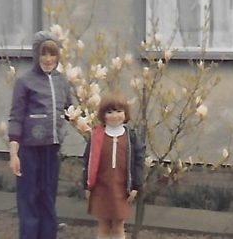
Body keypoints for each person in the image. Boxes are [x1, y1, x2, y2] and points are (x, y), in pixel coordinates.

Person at [8, 31, 72, 239]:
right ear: (36, 55)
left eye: (52, 54)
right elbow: (16, 117)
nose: (48, 59)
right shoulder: (24, 81)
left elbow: (71, 110)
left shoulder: (62, 81)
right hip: (28, 149)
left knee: (47, 198)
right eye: (44, 54)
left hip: (51, 149)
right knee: (29, 199)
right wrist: (14, 153)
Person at [83, 92, 145, 239]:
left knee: (118, 227)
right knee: (103, 226)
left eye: (118, 111)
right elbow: (88, 160)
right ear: (103, 115)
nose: (114, 116)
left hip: (122, 189)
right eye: (109, 112)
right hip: (101, 188)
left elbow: (138, 161)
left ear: (125, 113)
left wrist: (136, 185)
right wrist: (86, 185)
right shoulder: (97, 136)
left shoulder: (131, 137)